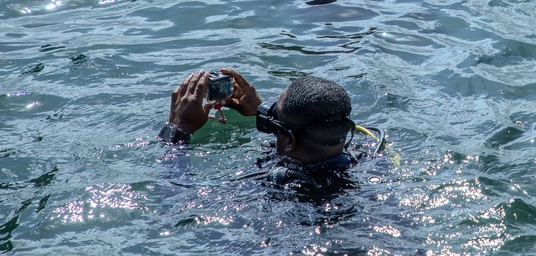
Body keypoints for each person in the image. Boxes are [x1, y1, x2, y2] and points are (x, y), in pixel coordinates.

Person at [160, 69, 384, 194]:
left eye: (274, 112)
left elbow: (177, 193)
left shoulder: (273, 186)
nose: (267, 112)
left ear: (289, 142)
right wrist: (258, 114)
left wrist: (177, 131)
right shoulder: (368, 157)